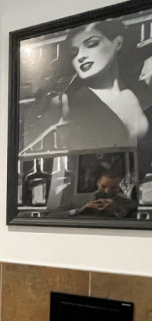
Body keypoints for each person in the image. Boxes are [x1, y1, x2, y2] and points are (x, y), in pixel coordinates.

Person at [62, 20, 152, 178]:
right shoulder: (73, 102)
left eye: (91, 44)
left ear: (117, 43)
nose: (80, 56)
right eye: (74, 52)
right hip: (98, 190)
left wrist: (130, 187)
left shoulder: (137, 93)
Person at [70, 170, 137, 219]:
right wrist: (81, 210)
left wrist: (117, 210)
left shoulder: (128, 203)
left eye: (113, 188)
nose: (107, 191)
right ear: (98, 183)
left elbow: (136, 219)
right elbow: (62, 216)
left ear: (119, 187)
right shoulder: (77, 199)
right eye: (103, 186)